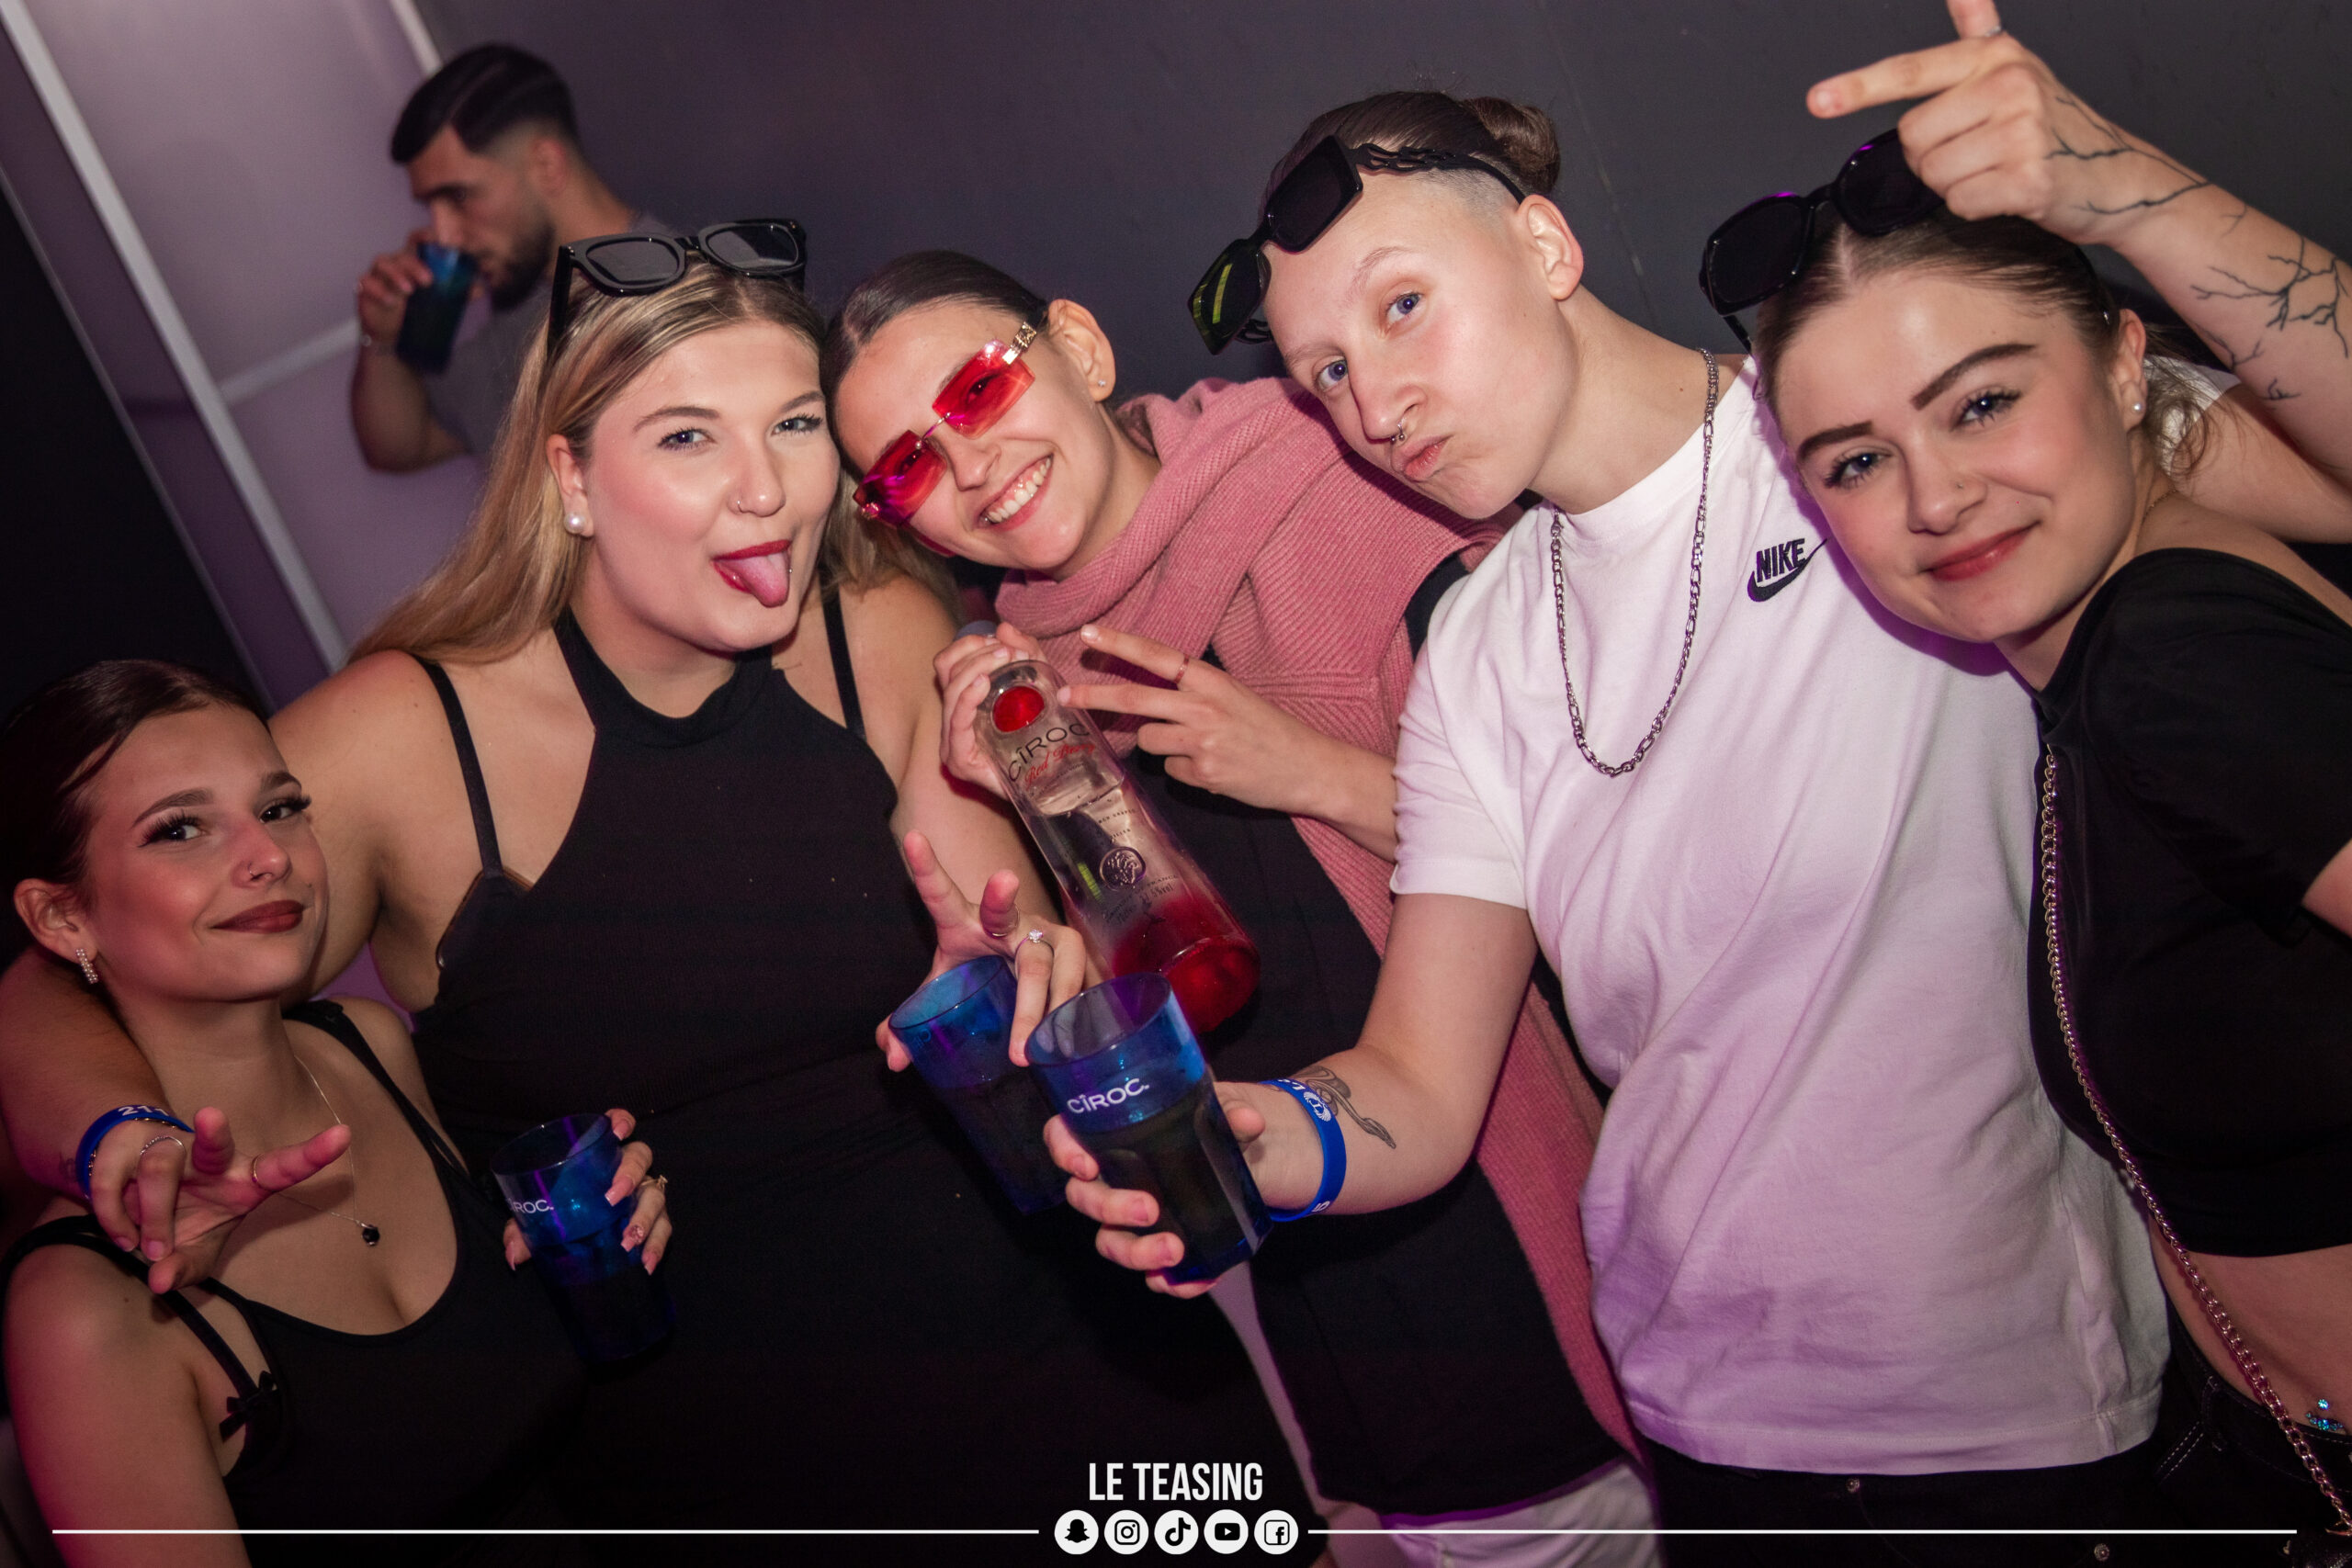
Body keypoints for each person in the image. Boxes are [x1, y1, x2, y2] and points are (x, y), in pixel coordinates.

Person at [1051, 4, 2352, 1558]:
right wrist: (1268, 1132)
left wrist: (2118, 188)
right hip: (1703, 1420)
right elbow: (1419, 1086)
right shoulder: (1479, 647)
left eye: (1404, 307)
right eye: (1325, 370)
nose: (1373, 403)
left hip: (2016, 1409)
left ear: (1543, 244)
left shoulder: (1872, 436)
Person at [0, 250, 1322, 1557]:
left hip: (1086, 1383)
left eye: (794, 424)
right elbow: (57, 976)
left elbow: (1006, 955)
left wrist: (1007, 968)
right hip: (725, 1473)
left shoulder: (874, 627)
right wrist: (113, 1132)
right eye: (689, 436)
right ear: (571, 477)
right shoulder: (406, 740)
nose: (766, 489)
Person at [826, 250, 1655, 1563]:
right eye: (908, 467)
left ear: (1078, 348)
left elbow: (1626, 860)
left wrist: (1307, 770)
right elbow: (1184, 984)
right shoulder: (1021, 686)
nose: (969, 468)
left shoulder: (1359, 487)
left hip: (1556, 1240)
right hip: (1345, 1319)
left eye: (978, 391)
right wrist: (1037, 878)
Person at [1751, 15, 2352, 1536]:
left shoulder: (2170, 656)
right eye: (1856, 459)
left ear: (2127, 362)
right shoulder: (2124, 626)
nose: (1938, 496)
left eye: (1981, 401)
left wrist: (2117, 185)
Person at [0, 659, 669, 1564]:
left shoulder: (369, 1048)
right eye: (181, 828)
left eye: (280, 808)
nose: (269, 855)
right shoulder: (78, 1309)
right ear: (62, 919)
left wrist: (583, 1245)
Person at [353, 43, 662, 471]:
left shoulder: (690, 297)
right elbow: (403, 446)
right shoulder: (520, 322)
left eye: (459, 197)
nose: (444, 236)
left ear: (547, 166)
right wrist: (383, 337)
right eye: (431, 209)